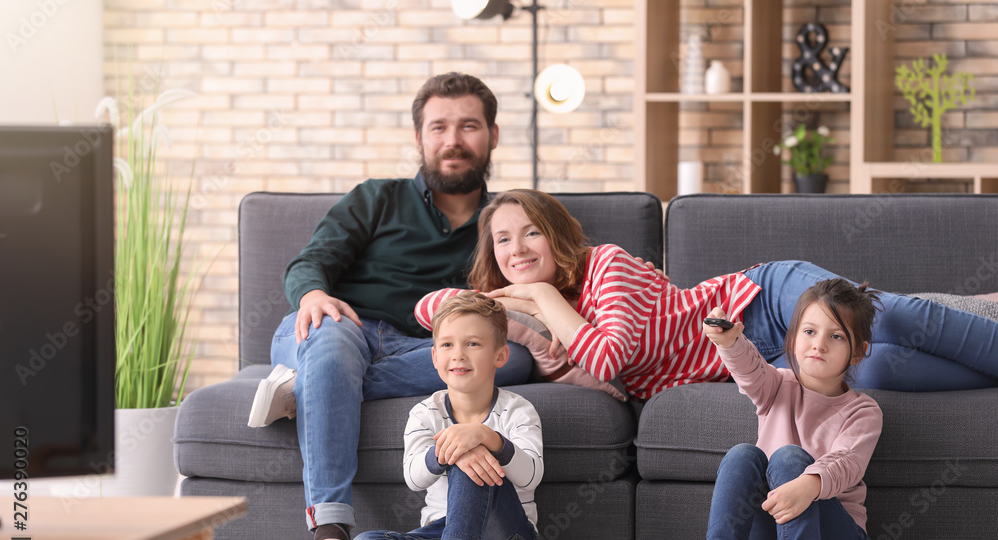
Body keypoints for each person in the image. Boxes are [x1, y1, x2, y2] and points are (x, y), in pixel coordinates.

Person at [248, 73, 534, 540]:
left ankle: (312, 386)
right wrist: (313, 295)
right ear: (419, 138)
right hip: (342, 325)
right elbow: (310, 263)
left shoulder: (503, 223)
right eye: (439, 127)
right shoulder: (376, 198)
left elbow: (527, 292)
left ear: (493, 135)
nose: (453, 140)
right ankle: (330, 535)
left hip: (423, 346)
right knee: (331, 347)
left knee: (513, 359)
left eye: (469, 126)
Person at [415, 188, 998, 400]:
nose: (518, 249)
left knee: (882, 318)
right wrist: (515, 299)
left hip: (761, 297)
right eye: (503, 242)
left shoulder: (606, 266)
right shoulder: (536, 300)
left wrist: (540, 298)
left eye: (531, 232)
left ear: (558, 233)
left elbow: (609, 357)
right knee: (875, 371)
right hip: (759, 355)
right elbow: (428, 308)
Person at [346, 292, 569, 540]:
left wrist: (487, 439)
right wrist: (446, 453)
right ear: (434, 356)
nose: (459, 355)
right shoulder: (425, 413)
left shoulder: (518, 411)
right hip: (441, 536)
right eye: (448, 345)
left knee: (472, 451)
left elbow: (532, 475)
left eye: (473, 344)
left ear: (500, 355)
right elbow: (414, 477)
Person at [679, 279, 883, 540]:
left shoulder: (863, 411)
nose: (818, 344)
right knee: (742, 455)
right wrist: (730, 341)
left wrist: (809, 485)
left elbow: (848, 462)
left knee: (789, 458)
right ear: (793, 337)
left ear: (858, 351)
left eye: (836, 336)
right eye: (809, 331)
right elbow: (751, 370)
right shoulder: (778, 385)